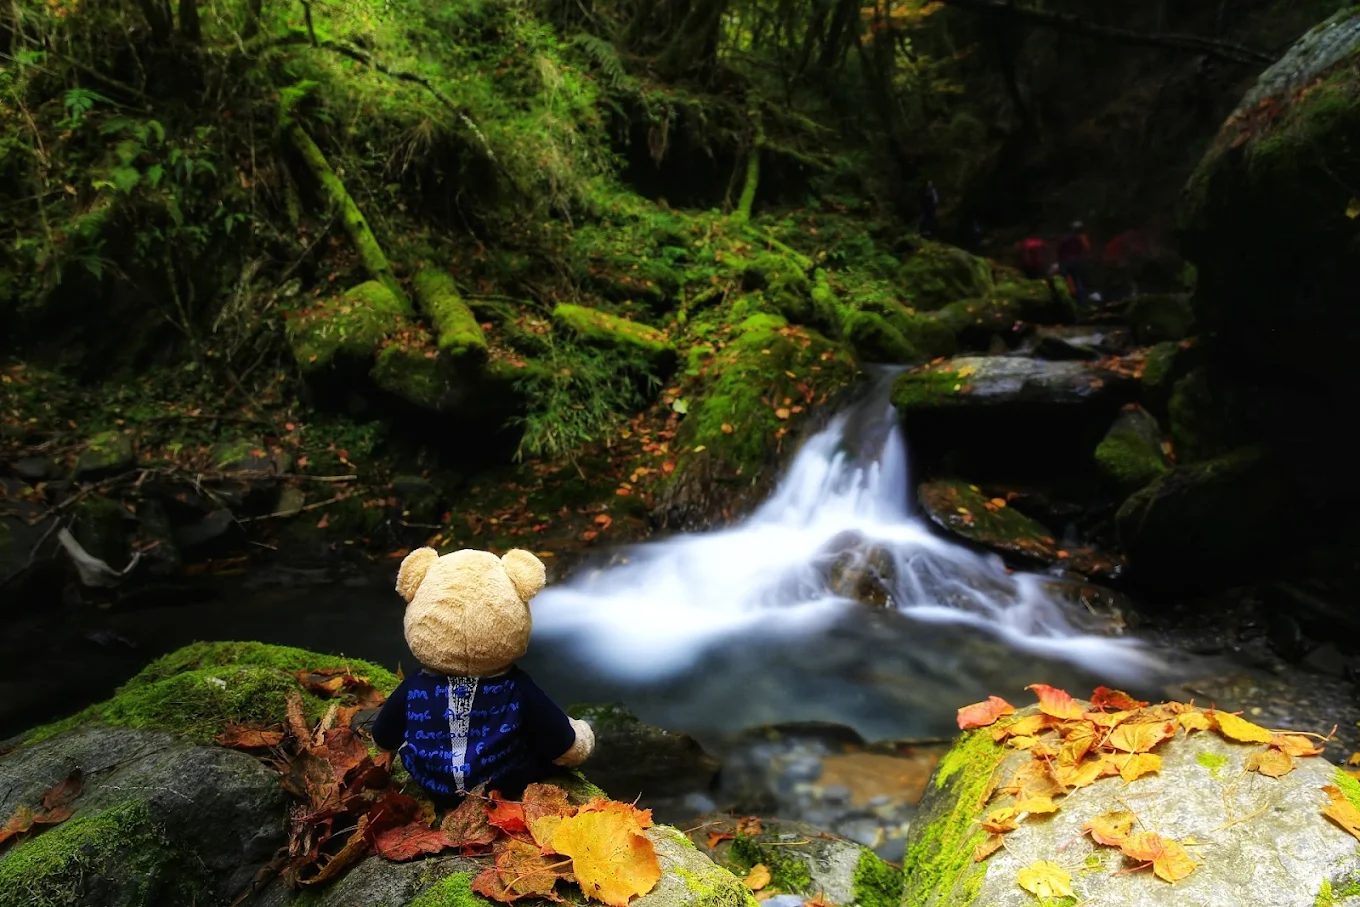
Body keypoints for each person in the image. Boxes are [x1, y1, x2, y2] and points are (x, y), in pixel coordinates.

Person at [1057, 221, 1093, 305]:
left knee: (1070, 282)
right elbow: (1087, 249)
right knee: (1079, 282)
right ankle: (1081, 302)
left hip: (1066, 262)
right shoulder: (1081, 237)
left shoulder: (1065, 238)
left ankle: (1073, 301)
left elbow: (1059, 251)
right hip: (1076, 262)